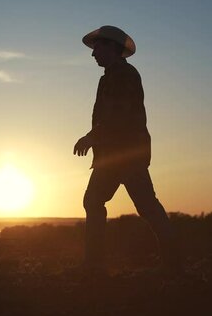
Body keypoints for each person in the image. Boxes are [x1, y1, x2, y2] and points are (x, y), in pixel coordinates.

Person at [73, 25, 181, 277]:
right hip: (113, 156)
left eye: (97, 48)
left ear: (111, 47)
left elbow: (117, 116)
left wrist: (92, 136)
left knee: (145, 206)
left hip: (126, 155)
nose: (93, 54)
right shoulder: (111, 76)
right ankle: (95, 265)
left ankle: (172, 264)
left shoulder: (125, 75)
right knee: (97, 201)